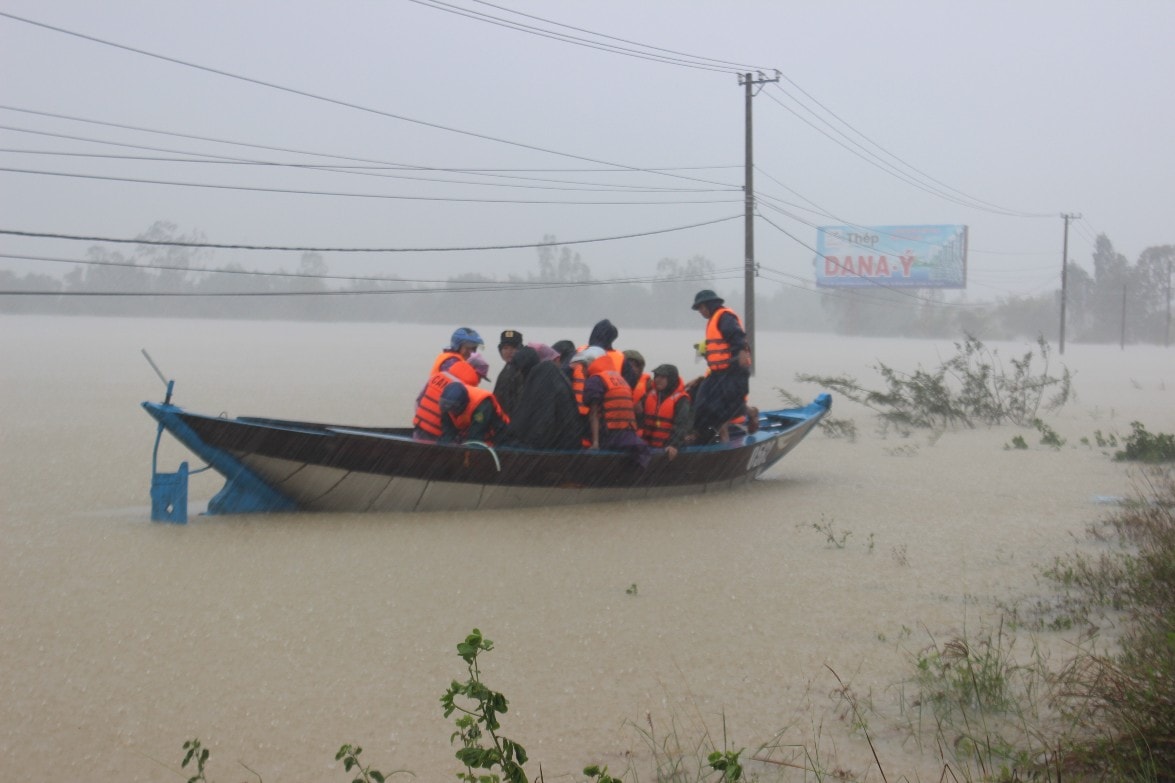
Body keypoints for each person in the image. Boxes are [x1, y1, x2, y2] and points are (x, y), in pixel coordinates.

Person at [690, 289, 751, 444]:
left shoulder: (724, 316)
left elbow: (736, 335)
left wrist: (743, 351)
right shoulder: (713, 320)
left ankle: (728, 435)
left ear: (709, 305)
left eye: (701, 308)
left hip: (733, 369)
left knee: (726, 406)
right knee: (702, 401)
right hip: (717, 372)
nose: (701, 312)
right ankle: (698, 432)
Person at [497, 345, 583, 450]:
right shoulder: (553, 374)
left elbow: (539, 423)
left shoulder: (540, 381)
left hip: (552, 450)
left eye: (519, 370)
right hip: (568, 446)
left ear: (523, 367)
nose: (518, 374)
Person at [580, 349, 649, 468]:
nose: (582, 370)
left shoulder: (595, 380)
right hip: (628, 434)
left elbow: (594, 413)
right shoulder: (619, 378)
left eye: (584, 366)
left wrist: (596, 443)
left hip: (610, 435)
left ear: (590, 364)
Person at [413, 358, 481, 441]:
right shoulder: (460, 390)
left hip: (419, 429)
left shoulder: (436, 376)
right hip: (438, 435)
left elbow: (418, 400)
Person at [637, 364, 693, 460]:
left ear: (671, 379)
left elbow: (682, 424)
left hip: (666, 448)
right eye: (657, 376)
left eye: (663, 377)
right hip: (647, 447)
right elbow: (639, 420)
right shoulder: (648, 395)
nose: (658, 380)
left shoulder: (681, 399)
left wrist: (673, 445)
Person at [436, 380, 508, 445]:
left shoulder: (481, 407)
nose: (450, 412)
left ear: (463, 405)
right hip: (472, 432)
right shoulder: (447, 406)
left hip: (499, 434)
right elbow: (448, 432)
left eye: (452, 409)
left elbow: (475, 437)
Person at [492, 329, 525, 417]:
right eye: (505, 348)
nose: (509, 352)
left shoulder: (522, 370)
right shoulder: (506, 369)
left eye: (513, 348)